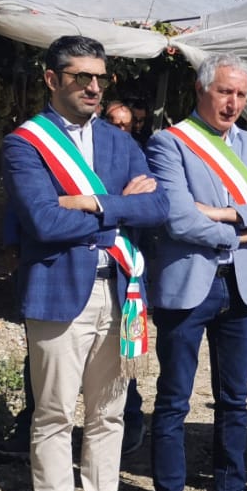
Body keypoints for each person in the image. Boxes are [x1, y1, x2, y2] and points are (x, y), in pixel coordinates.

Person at [2, 36, 168, 491]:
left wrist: (92, 202)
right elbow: (44, 222)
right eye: (80, 77)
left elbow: (160, 205)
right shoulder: (25, 144)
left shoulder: (121, 143)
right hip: (57, 291)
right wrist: (123, 207)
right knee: (52, 412)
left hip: (121, 291)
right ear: (52, 79)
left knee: (109, 411)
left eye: (100, 77)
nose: (93, 87)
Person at [146, 54, 247, 491]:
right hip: (187, 286)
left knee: (234, 399)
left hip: (240, 288)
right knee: (173, 402)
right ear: (201, 89)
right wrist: (243, 232)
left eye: (240, 95)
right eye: (224, 92)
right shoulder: (169, 142)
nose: (233, 103)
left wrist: (226, 211)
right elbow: (178, 219)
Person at [102, 101, 147, 454]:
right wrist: (120, 202)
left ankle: (132, 417)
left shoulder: (137, 158)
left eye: (126, 125)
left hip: (126, 270)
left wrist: (101, 205)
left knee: (124, 348)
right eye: (113, 123)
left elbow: (151, 209)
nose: (119, 130)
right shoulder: (88, 156)